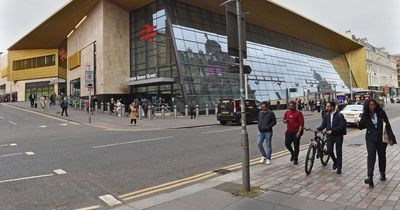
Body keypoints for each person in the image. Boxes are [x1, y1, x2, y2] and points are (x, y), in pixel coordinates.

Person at [358, 99, 396, 187]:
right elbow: (361, 127)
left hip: (381, 138)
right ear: (367, 106)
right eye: (370, 105)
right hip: (370, 138)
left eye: (374, 105)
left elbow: (387, 125)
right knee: (371, 156)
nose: (372, 107)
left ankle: (382, 173)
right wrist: (358, 123)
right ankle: (370, 177)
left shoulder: (381, 112)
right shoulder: (365, 114)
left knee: (382, 156)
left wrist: (391, 137)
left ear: (376, 105)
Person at [316, 101, 346, 174]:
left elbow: (341, 126)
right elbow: (323, 125)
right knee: (329, 151)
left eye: (328, 106)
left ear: (332, 107)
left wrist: (332, 131)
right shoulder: (327, 115)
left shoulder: (339, 115)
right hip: (330, 136)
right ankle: (335, 161)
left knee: (338, 152)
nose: (326, 108)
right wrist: (318, 129)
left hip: (338, 136)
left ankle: (339, 168)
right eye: (326, 106)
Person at [283, 101, 304, 165]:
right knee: (287, 144)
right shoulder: (287, 112)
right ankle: (292, 153)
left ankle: (296, 159)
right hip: (289, 131)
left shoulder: (299, 113)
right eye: (290, 105)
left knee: (296, 146)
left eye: (292, 105)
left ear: (295, 106)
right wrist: (285, 121)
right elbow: (284, 120)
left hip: (296, 131)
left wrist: (299, 132)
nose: (290, 107)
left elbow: (301, 124)